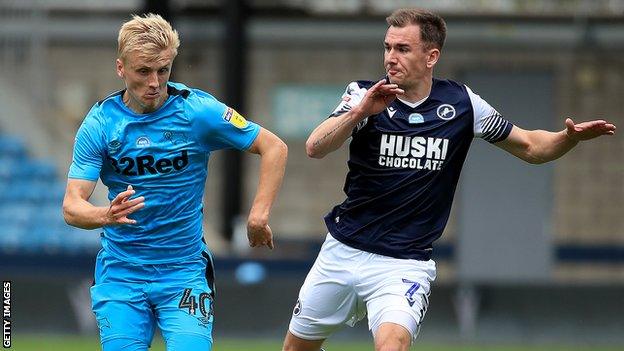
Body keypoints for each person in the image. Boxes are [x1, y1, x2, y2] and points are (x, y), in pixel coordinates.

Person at [282, 8, 615, 351]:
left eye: (402, 49)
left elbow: (530, 146)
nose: (390, 58)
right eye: (387, 47)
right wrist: (359, 113)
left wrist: (568, 137)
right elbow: (315, 147)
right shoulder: (364, 95)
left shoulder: (462, 104)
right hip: (343, 250)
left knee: (391, 346)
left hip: (403, 264)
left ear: (431, 57)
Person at [62, 14, 287, 351]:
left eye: (163, 70)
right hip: (121, 273)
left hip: (183, 273)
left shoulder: (198, 113)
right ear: (121, 68)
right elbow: (71, 206)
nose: (155, 82)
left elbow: (274, 147)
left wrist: (258, 214)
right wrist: (104, 215)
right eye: (143, 71)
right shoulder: (100, 124)